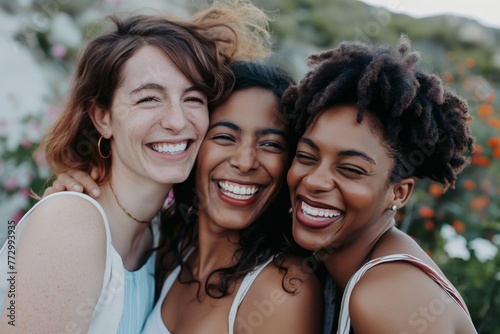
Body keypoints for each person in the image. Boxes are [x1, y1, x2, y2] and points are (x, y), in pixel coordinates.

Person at [0, 2, 273, 332]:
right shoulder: (72, 225)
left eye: (192, 98)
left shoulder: (161, 236)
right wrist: (66, 213)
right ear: (103, 118)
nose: (176, 121)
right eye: (149, 98)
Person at [45, 61, 324, 334]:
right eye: (225, 137)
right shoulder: (170, 245)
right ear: (193, 144)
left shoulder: (284, 289)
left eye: (271, 144)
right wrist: (73, 202)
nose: (246, 161)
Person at [282, 36, 478, 333]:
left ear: (398, 192)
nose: (315, 180)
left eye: (350, 169)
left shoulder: (386, 298)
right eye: (306, 156)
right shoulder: (348, 268)